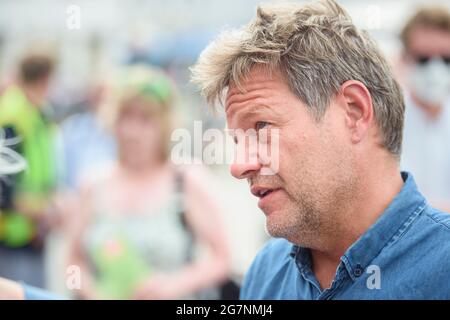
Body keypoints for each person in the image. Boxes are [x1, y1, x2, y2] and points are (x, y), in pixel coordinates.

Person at [191, 0, 450, 299]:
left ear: (353, 112)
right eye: (238, 140)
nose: (238, 166)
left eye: (262, 127)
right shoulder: (267, 271)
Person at [66, 65, 230, 300]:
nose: (132, 131)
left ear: (164, 125)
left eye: (145, 120)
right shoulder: (92, 184)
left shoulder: (186, 180)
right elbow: (72, 262)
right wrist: (91, 291)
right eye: (125, 117)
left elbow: (221, 259)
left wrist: (174, 285)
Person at [0, 53, 58, 288]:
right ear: (45, 79)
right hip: (11, 240)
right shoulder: (13, 116)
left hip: (31, 236)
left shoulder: (34, 112)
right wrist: (43, 211)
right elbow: (4, 191)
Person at [399, 6, 450, 211]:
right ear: (404, 58)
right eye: (424, 59)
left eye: (446, 59)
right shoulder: (382, 124)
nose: (435, 70)